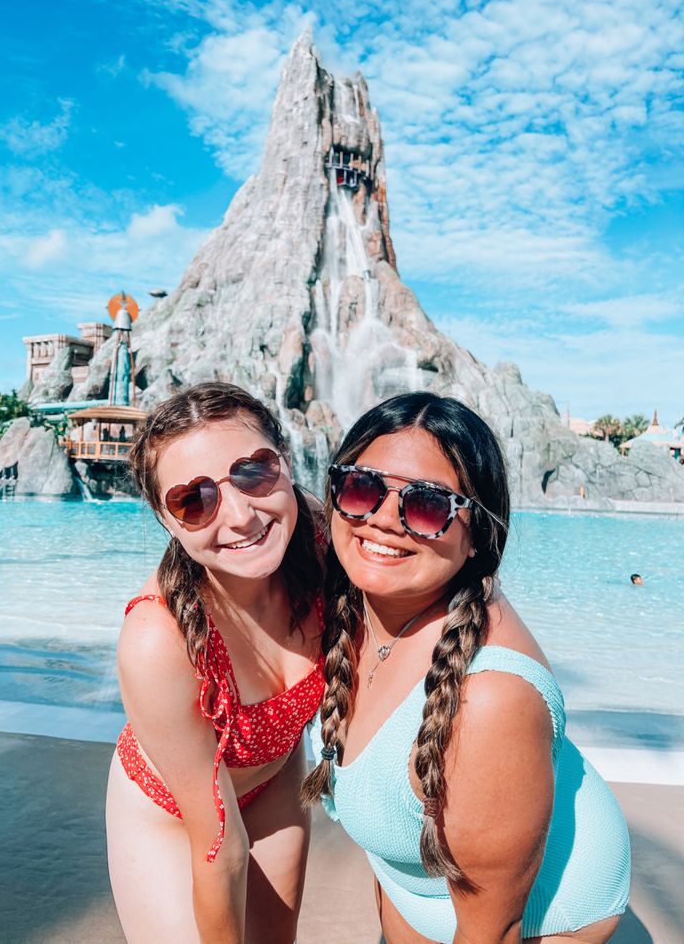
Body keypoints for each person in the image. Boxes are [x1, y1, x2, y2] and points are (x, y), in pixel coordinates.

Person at [303, 392, 630, 943]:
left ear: (476, 533)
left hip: (539, 918)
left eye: (427, 506)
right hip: (419, 887)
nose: (382, 520)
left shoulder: (490, 701)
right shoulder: (365, 596)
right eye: (361, 487)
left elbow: (491, 930)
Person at [106, 382, 324, 944]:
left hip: (275, 780)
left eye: (254, 472)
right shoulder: (160, 637)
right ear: (166, 519)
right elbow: (217, 843)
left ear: (286, 462)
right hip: (171, 813)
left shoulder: (325, 550)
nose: (242, 517)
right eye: (194, 500)